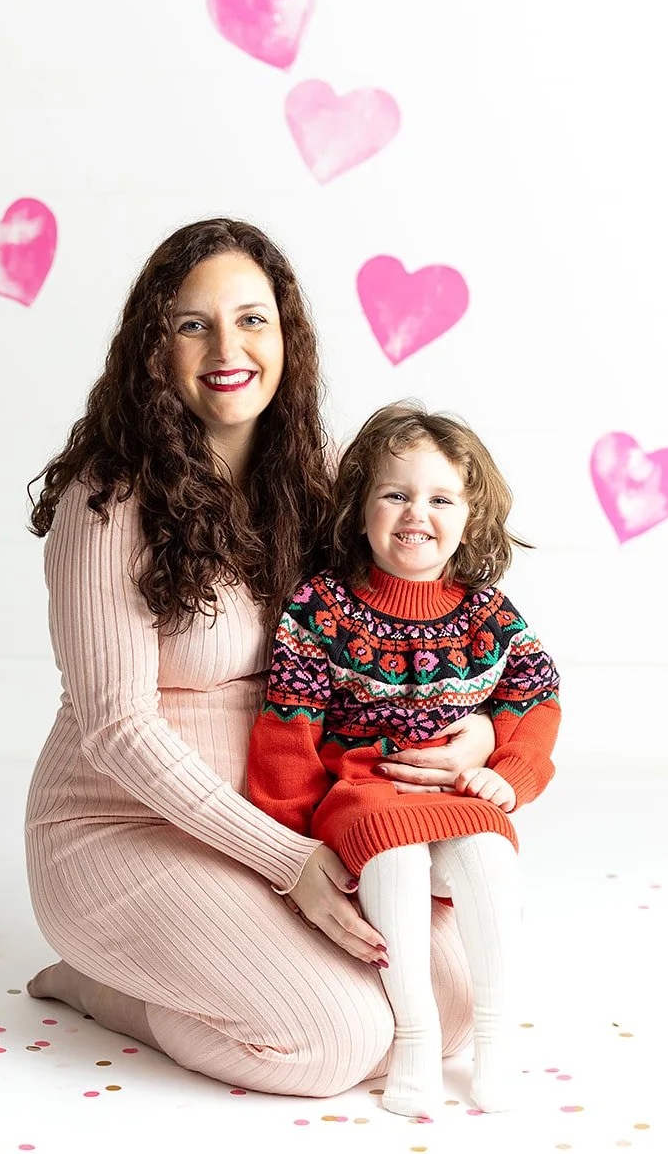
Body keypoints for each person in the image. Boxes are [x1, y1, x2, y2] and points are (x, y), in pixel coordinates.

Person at [22, 218, 502, 1099]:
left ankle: (239, 961)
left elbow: (412, 633)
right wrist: (289, 863)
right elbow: (120, 729)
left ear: (287, 337)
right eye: (191, 324)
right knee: (334, 1043)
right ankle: (104, 989)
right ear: (152, 347)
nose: (226, 347)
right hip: (121, 828)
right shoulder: (109, 498)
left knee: (451, 1005)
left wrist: (477, 729)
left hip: (285, 815)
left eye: (251, 319)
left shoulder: (318, 479)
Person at [246, 403, 561, 1118]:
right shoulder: (321, 608)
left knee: (487, 848)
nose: (417, 513)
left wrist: (507, 771)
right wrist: (291, 845)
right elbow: (286, 729)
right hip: (365, 789)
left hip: (454, 788)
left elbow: (537, 694)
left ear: (469, 516)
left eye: (440, 498)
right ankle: (416, 1037)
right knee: (395, 855)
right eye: (395, 493)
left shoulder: (486, 613)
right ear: (360, 508)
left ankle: (496, 1036)